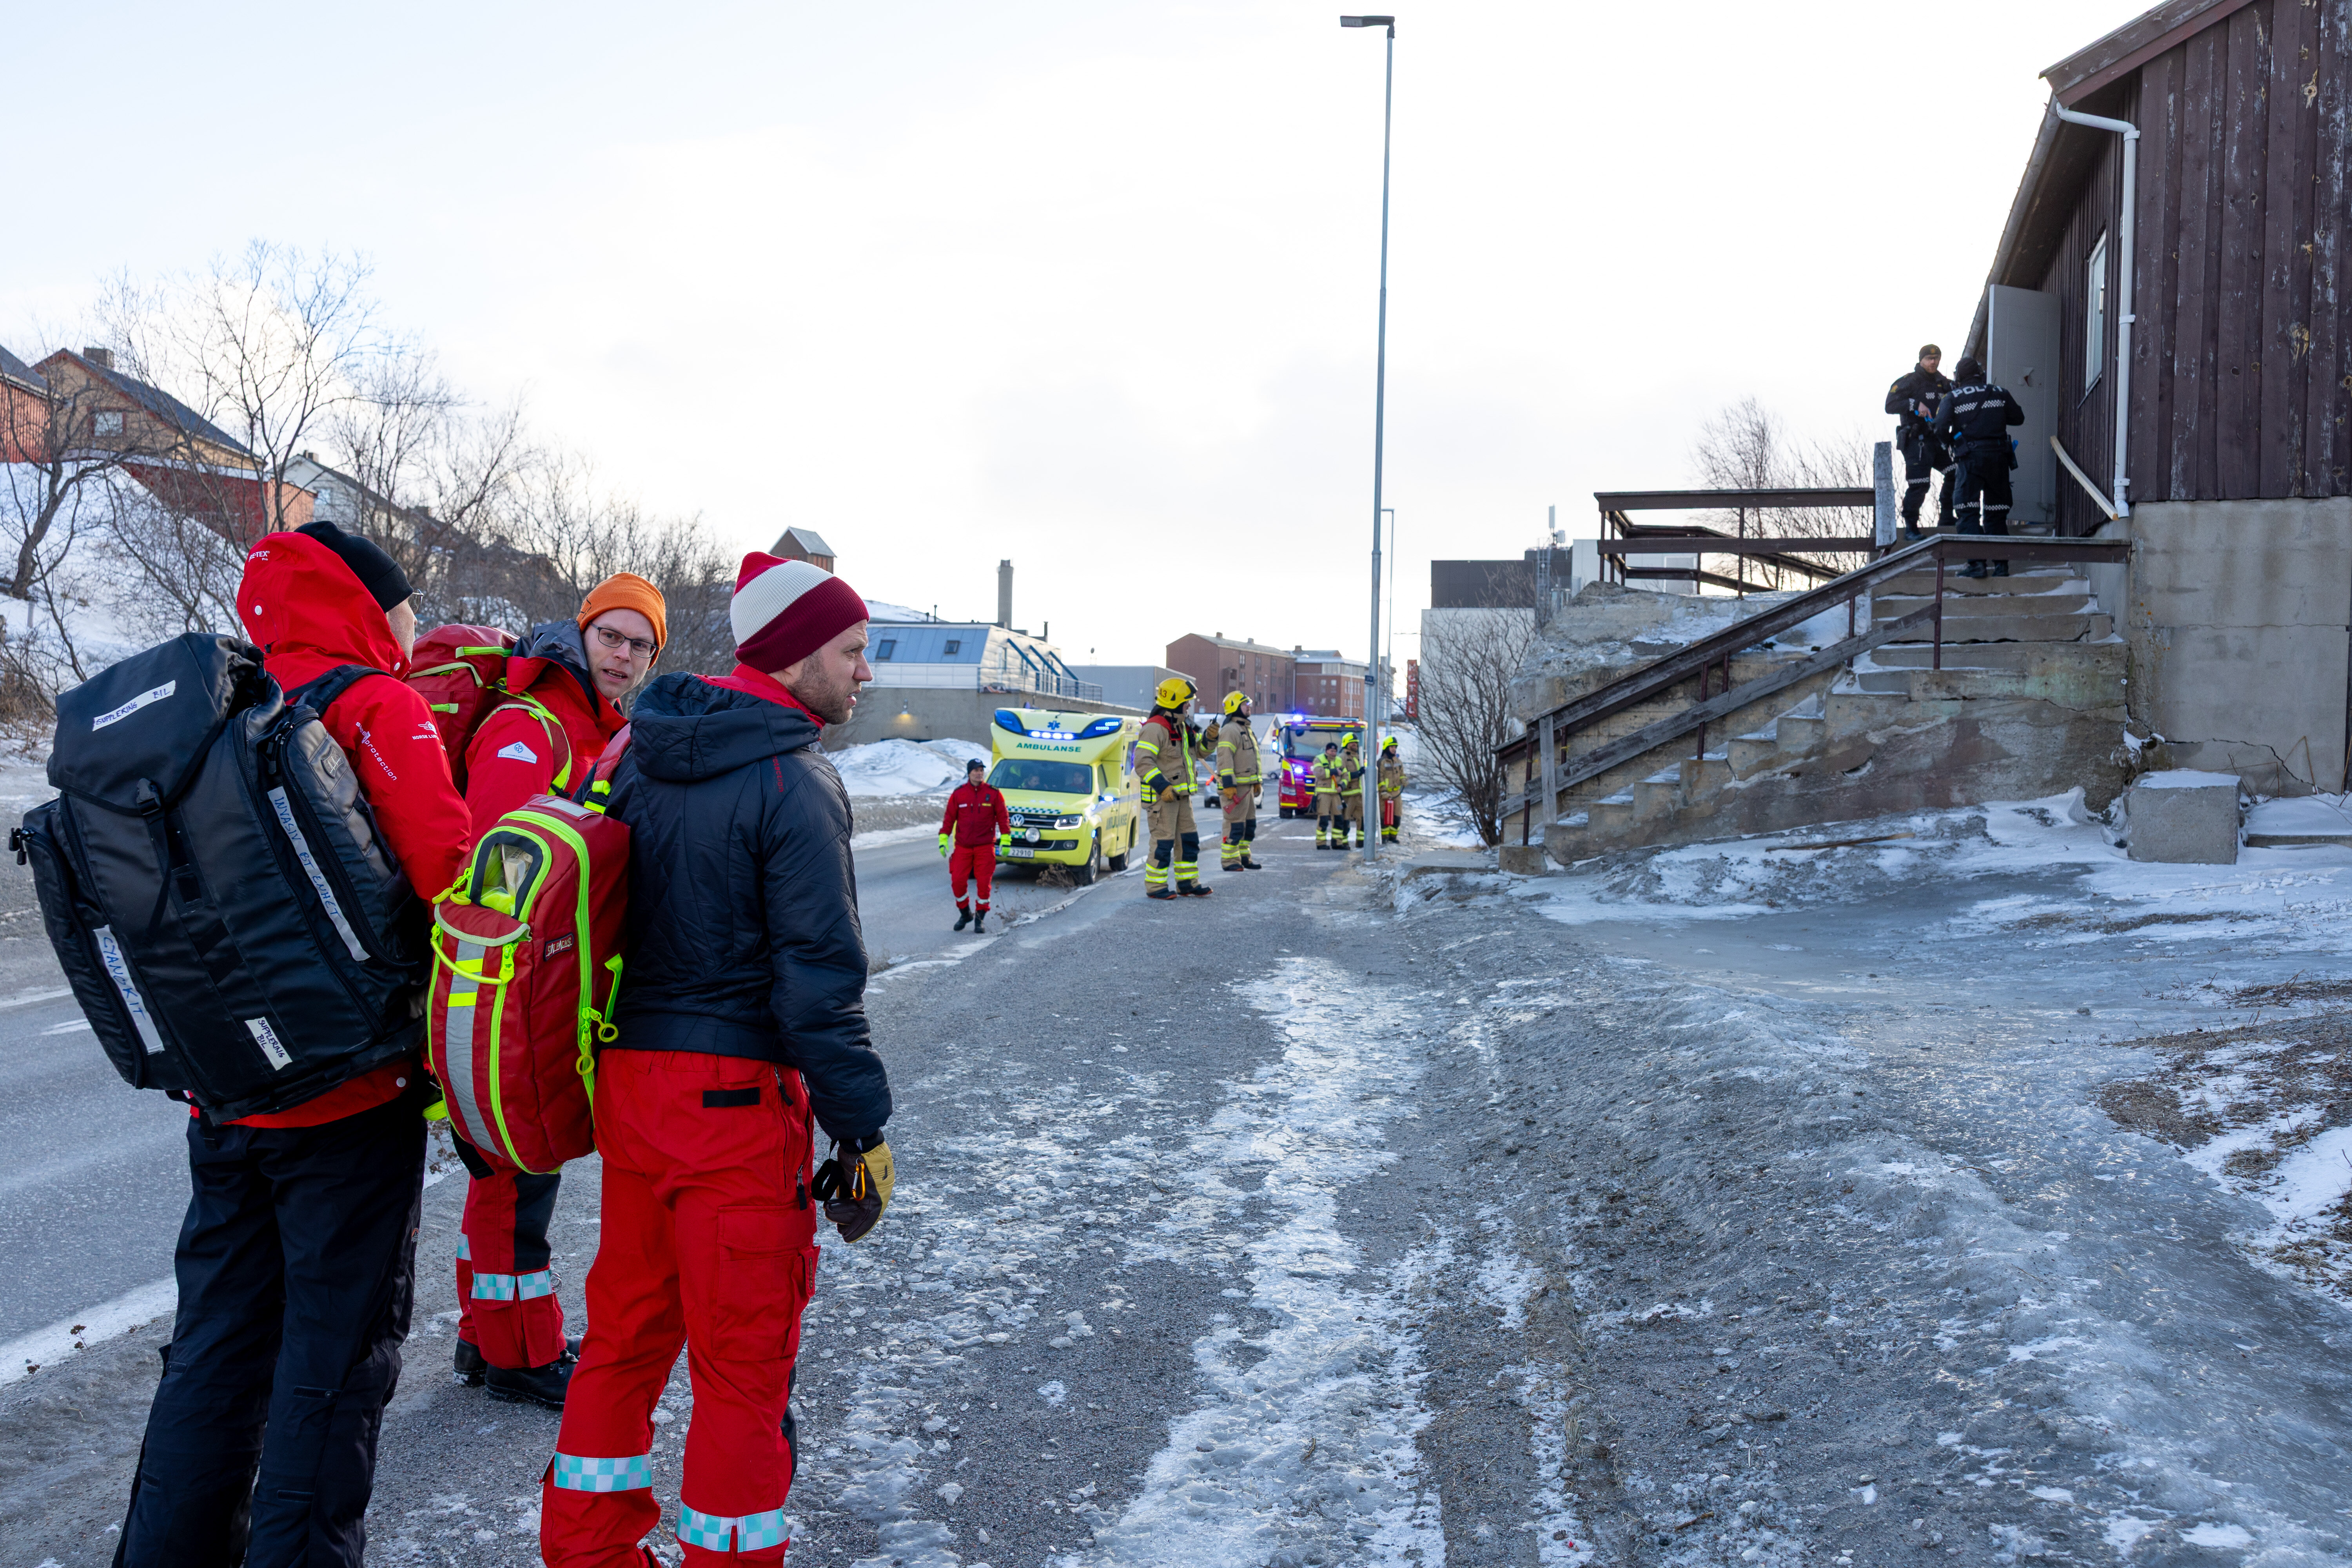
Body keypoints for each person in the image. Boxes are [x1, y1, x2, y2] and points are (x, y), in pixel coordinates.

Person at [116, 520, 472, 1568]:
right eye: (403, 602)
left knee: (213, 1357)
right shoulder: (376, 706)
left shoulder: (210, 710)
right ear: (370, 604)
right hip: (352, 1104)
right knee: (333, 1365)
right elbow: (455, 884)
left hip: (225, 1095)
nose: (411, 621)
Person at [543, 551, 893, 1566]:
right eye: (852, 653)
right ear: (792, 658)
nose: (863, 674)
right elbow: (821, 989)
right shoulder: (795, 780)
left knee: (621, 1341)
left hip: (633, 1094)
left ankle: (587, 1551)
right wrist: (862, 1129)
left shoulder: (637, 752)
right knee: (743, 1375)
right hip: (735, 1111)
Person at [451, 573, 666, 1410]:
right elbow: (497, 867)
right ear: (579, 634)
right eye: (610, 636)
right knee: (516, 1173)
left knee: (505, 1168)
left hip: (544, 983)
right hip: (509, 986)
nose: (621, 655)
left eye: (638, 644)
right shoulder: (530, 722)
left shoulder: (599, 724)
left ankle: (482, 1334)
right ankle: (520, 1356)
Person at [1934, 357, 2027, 578]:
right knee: (1996, 513)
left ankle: (1976, 564)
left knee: (1967, 511)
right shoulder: (2000, 393)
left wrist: (1951, 442)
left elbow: (1939, 428)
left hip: (1970, 460)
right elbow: (2019, 418)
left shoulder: (1952, 398)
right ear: (1980, 374)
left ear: (1959, 377)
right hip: (1999, 459)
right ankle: (2002, 566)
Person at [1134, 676, 1212, 899]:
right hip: (1164, 799)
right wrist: (1163, 787)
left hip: (1182, 798)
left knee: (1188, 842)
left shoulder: (1183, 726)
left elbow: (1201, 753)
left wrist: (1211, 738)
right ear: (1176, 701)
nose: (1189, 705)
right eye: (1187, 701)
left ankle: (1187, 883)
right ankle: (1156, 887)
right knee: (1163, 843)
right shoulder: (1155, 728)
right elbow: (1142, 762)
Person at [1885, 344, 1955, 539]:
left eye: (1937, 358)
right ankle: (1911, 528)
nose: (1933, 362)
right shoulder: (1910, 381)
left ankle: (1947, 517)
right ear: (1921, 360)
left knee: (1955, 473)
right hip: (1917, 441)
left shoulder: (1944, 383)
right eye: (1929, 359)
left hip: (1938, 440)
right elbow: (1890, 405)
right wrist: (1915, 404)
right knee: (1920, 484)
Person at [939, 756, 1011, 931]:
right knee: (957, 881)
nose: (979, 774)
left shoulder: (993, 793)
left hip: (985, 847)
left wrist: (1007, 839)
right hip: (963, 847)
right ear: (969, 773)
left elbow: (1003, 818)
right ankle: (965, 914)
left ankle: (980, 919)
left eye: (981, 770)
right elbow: (949, 818)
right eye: (976, 771)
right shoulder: (959, 794)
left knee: (983, 884)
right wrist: (943, 838)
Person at [1215, 691, 1265, 871]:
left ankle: (1245, 858)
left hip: (1247, 788)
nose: (1249, 707)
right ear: (1236, 707)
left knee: (1249, 826)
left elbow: (1252, 759)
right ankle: (1230, 862)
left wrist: (1257, 781)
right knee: (1235, 825)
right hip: (1235, 789)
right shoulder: (1230, 730)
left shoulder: (1245, 729)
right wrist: (1229, 784)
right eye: (1245, 705)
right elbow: (1224, 759)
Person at [1336, 732, 1368, 850]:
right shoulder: (1342, 757)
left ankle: (1361, 842)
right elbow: (1343, 776)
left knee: (1362, 819)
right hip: (1348, 795)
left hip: (1359, 794)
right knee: (1346, 819)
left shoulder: (1359, 757)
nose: (1354, 745)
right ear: (1346, 744)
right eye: (1352, 743)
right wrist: (1357, 774)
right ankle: (1344, 842)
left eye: (1356, 743)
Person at [1377, 735, 1406, 844]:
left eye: (1395, 747)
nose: (1394, 749)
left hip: (1397, 793)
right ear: (1386, 748)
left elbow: (1402, 774)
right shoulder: (1382, 762)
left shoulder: (1398, 761)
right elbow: (1379, 778)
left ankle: (1393, 837)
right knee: (1385, 815)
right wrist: (1383, 791)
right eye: (1392, 747)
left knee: (1397, 815)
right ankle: (1384, 837)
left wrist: (1404, 780)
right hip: (1385, 793)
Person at [1312, 741, 1341, 849]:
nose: (1334, 753)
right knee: (1323, 819)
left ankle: (1337, 843)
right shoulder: (1319, 759)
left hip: (1336, 795)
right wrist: (1334, 771)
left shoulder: (1339, 760)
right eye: (1331, 751)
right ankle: (1321, 843)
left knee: (1339, 819)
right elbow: (1319, 773)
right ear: (1327, 751)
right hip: (1324, 794)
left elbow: (1345, 775)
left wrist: (1342, 786)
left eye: (1335, 751)